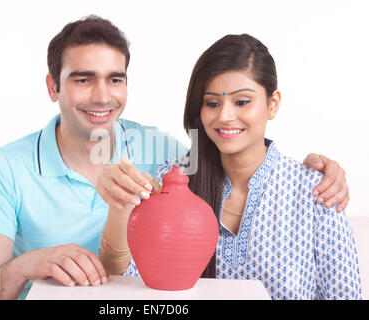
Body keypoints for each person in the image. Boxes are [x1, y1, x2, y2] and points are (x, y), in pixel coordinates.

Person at [0, 15, 350, 300]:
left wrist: (317, 170)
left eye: (114, 79)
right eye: (82, 79)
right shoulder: (6, 168)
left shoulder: (164, 158)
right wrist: (28, 265)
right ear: (52, 85)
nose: (101, 95)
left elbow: (227, 146)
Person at [98, 34, 361, 299]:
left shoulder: (316, 192)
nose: (224, 115)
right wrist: (120, 204)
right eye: (212, 103)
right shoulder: (171, 181)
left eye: (242, 102)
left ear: (273, 104)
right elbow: (135, 285)